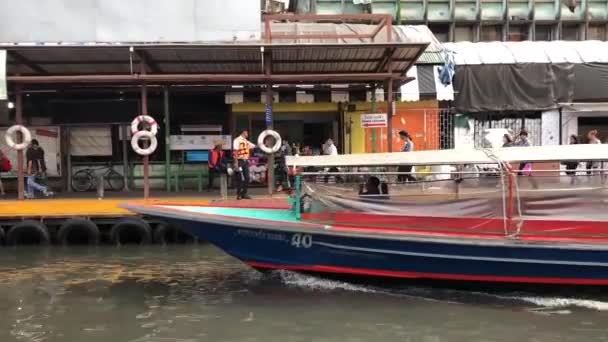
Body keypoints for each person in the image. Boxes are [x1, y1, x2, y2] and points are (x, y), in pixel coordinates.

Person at [232, 129, 256, 200]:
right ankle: (238, 194)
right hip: (239, 161)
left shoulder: (246, 141)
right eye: (246, 132)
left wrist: (263, 145)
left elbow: (254, 146)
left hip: (245, 161)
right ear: (243, 132)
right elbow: (235, 151)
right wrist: (236, 162)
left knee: (247, 178)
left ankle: (244, 193)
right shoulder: (236, 140)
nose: (247, 134)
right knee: (239, 178)